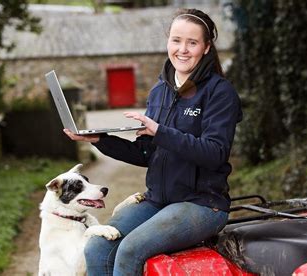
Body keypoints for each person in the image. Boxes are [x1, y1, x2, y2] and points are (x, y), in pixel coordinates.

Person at [64, 8, 243, 276]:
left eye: (192, 43)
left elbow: (214, 153)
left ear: (206, 48)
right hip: (157, 200)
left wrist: (160, 131)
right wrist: (100, 139)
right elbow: (146, 153)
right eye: (176, 40)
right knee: (98, 245)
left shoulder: (220, 93)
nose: (182, 49)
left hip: (203, 204)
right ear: (167, 42)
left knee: (130, 249)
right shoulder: (159, 91)